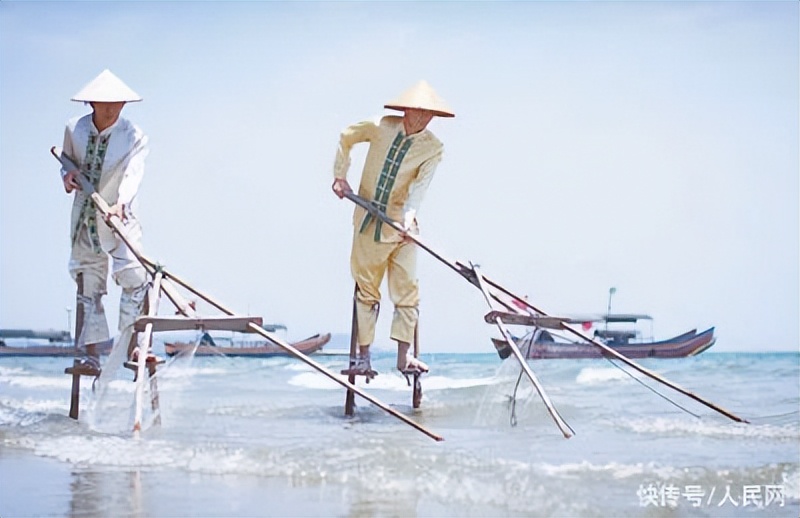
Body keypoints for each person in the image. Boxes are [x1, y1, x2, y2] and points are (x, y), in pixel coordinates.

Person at [331, 80, 454, 375]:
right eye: (418, 112)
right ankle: (364, 359)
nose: (423, 119)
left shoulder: (433, 148)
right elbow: (346, 137)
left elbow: (419, 190)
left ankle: (404, 357)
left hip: (403, 230)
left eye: (429, 114)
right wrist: (340, 175)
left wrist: (407, 222)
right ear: (406, 110)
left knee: (407, 291)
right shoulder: (382, 126)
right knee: (367, 291)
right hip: (368, 225)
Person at [59, 69, 150, 373]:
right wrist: (68, 176)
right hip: (86, 217)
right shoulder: (75, 129)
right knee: (89, 283)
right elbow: (67, 162)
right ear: (92, 104)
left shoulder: (134, 136)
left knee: (135, 276)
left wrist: (120, 204)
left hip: (119, 217)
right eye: (104, 103)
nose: (111, 109)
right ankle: (90, 355)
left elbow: (133, 174)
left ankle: (135, 348)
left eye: (117, 103)